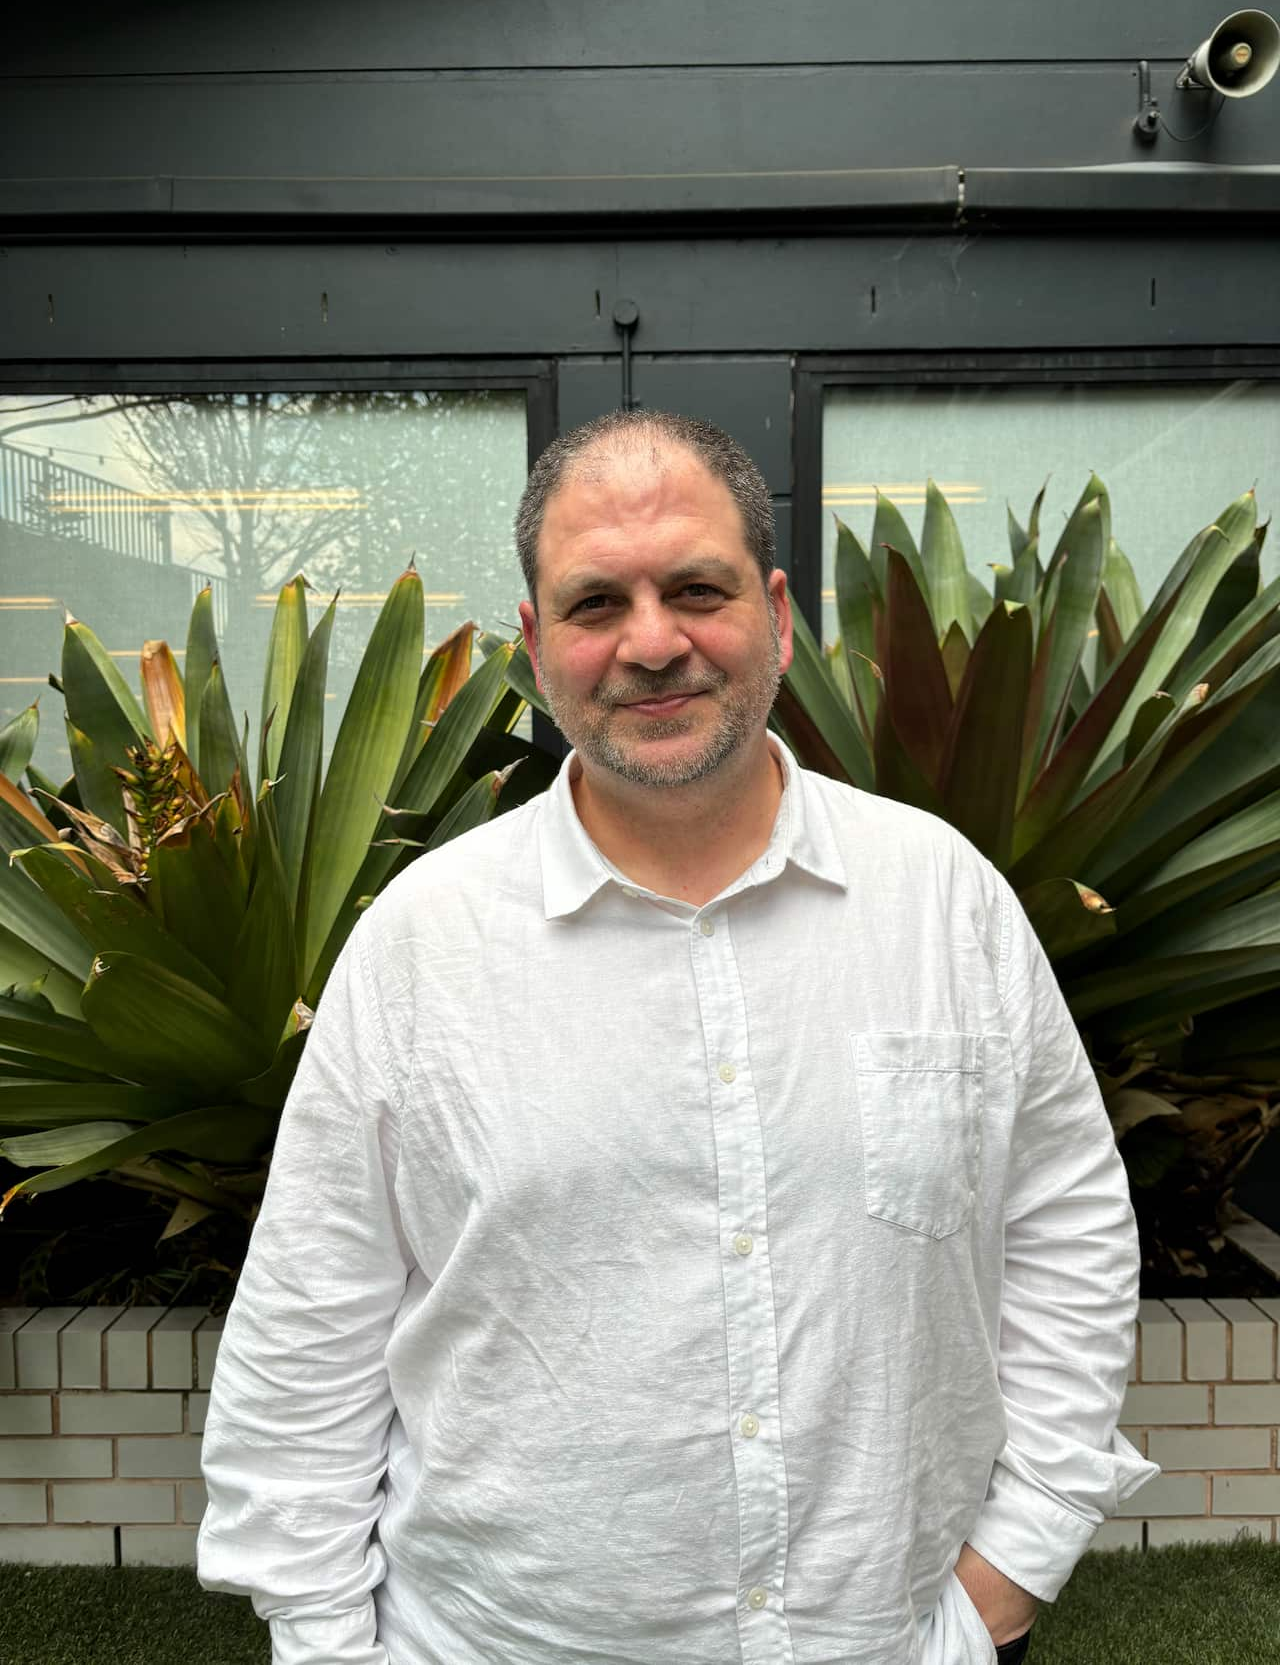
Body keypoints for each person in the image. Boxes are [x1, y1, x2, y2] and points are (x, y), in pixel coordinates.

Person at [196, 409, 1159, 1665]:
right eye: (597, 604)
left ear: (773, 608)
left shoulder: (940, 900)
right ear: (538, 644)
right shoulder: (421, 947)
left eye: (694, 590)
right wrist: (326, 1641)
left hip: (897, 1638)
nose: (652, 645)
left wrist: (1009, 1570)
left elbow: (1064, 1228)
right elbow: (307, 1336)